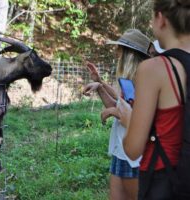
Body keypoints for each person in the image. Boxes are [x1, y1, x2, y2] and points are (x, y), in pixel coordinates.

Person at [118, 0, 190, 199]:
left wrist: (128, 119)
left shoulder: (155, 69)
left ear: (160, 19)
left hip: (163, 182)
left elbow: (133, 149)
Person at [83, 29, 151, 200]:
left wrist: (113, 111)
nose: (117, 53)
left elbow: (137, 120)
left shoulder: (145, 80)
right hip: (120, 150)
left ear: (130, 54)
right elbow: (119, 105)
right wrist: (99, 85)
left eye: (120, 49)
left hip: (135, 156)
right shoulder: (128, 80)